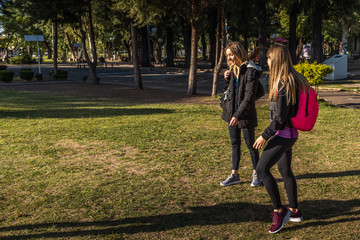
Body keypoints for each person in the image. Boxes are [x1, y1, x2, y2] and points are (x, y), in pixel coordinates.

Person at [253, 45, 308, 233]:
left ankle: (280, 211)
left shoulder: (283, 83)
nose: (267, 61)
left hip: (283, 134)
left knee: (261, 169)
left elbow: (279, 118)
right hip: (290, 134)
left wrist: (263, 135)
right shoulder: (293, 79)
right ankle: (295, 211)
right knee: (285, 172)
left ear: (275, 60)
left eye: (268, 58)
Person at [220, 41, 262, 187]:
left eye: (232, 54)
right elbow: (233, 92)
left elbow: (249, 97)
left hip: (245, 114)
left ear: (239, 53)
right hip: (232, 113)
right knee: (235, 144)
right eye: (228, 55)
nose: (230, 58)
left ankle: (257, 174)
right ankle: (234, 175)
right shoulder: (233, 70)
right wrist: (227, 79)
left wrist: (238, 115)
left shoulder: (250, 70)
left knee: (251, 145)